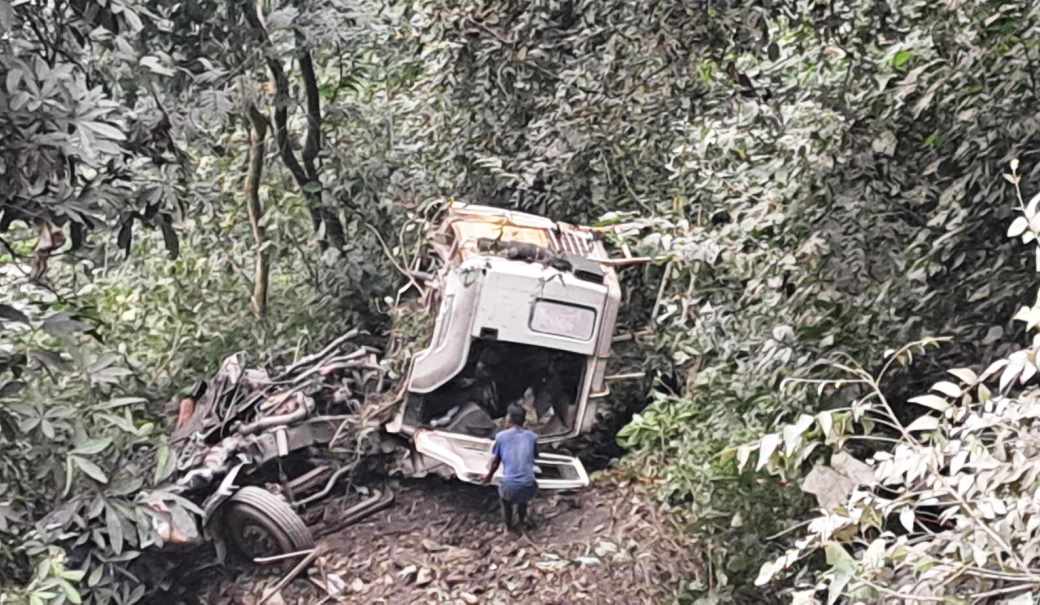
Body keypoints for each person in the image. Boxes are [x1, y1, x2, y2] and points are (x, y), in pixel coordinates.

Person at [483, 404, 538, 532]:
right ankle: (522, 521)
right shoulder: (532, 437)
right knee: (523, 496)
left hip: (510, 488)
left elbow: (495, 463)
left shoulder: (501, 437)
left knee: (506, 500)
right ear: (524, 420)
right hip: (529, 487)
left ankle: (508, 526)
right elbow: (534, 456)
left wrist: (488, 477)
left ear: (509, 418)